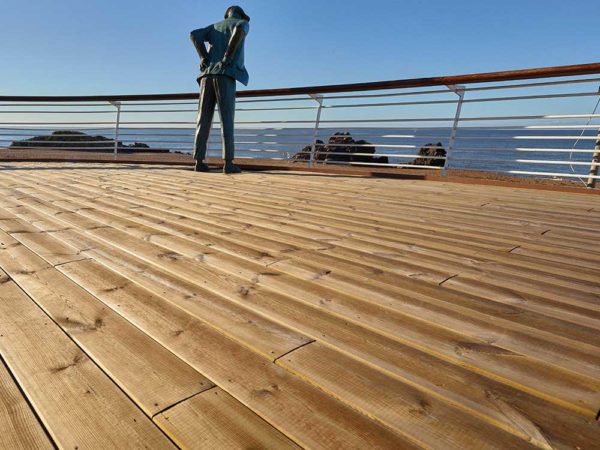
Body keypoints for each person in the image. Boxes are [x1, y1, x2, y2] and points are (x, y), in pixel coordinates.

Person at [190, 6, 250, 174]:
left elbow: (194, 34)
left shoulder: (215, 26)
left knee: (203, 119)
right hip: (225, 74)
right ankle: (228, 163)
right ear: (240, 15)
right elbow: (239, 30)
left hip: (206, 75)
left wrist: (203, 56)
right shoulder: (241, 23)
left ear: (226, 15)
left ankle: (199, 161)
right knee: (226, 119)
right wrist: (228, 57)